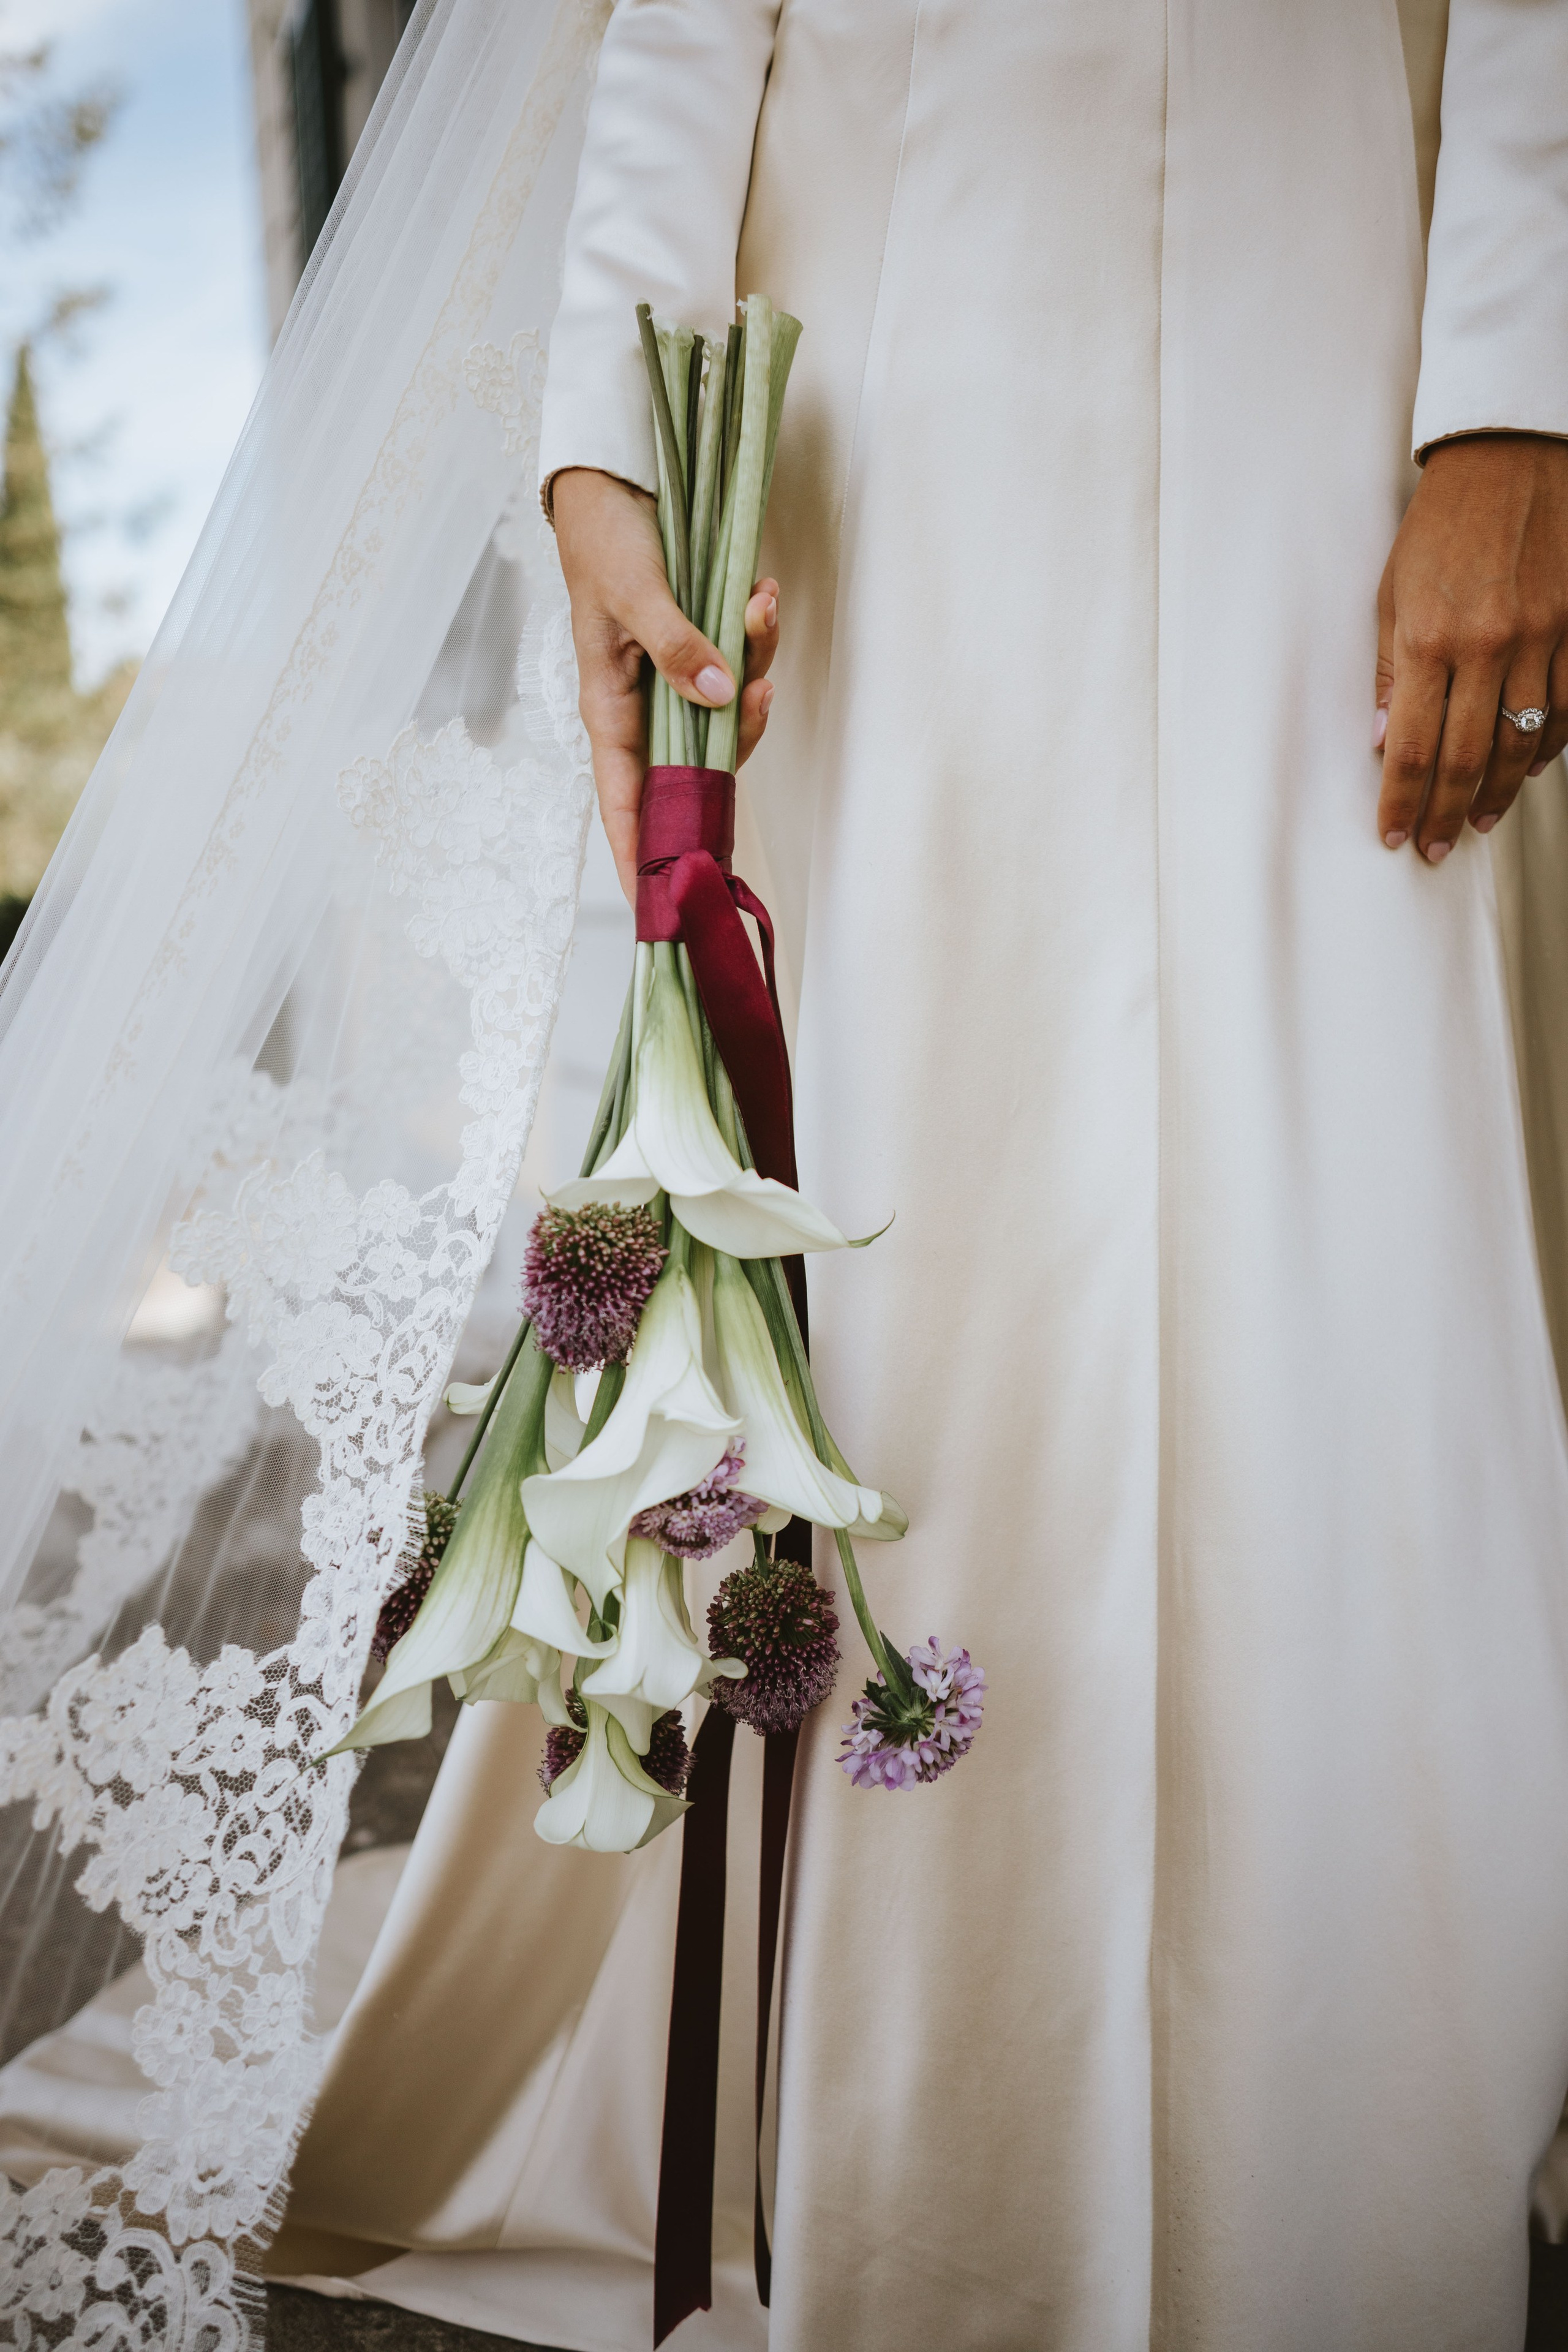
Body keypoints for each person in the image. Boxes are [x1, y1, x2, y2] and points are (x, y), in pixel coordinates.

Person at [261, 4, 1568, 2349]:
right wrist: (606, 439)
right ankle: (921, 2137)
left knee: (1350, 1131)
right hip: (883, 286)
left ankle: (1355, 2131)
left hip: (1340, 267)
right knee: (915, 1181)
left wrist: (1517, 379)